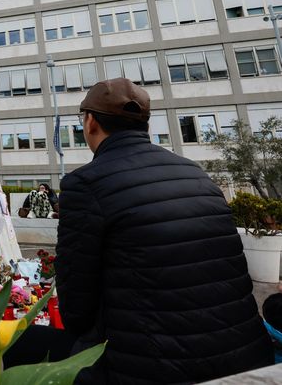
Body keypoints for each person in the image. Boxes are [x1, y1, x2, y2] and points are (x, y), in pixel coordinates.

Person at [56, 78, 272, 383]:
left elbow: (76, 310)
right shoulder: (196, 173)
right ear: (144, 125)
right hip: (245, 358)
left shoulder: (85, 184)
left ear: (90, 122)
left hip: (152, 367)